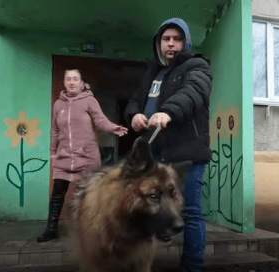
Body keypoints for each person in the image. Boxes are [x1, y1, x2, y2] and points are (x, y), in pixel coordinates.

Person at [123, 18, 213, 272]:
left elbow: (194, 92)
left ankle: (193, 266)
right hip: (157, 156)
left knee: (191, 213)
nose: (171, 44)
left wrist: (168, 112)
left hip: (188, 153)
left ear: (186, 42)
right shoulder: (153, 73)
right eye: (166, 39)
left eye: (177, 39)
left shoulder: (197, 66)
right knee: (148, 210)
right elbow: (135, 100)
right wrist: (134, 115)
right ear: (158, 43)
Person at [37, 69, 128, 243]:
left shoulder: (89, 100)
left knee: (87, 194)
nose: (72, 82)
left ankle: (89, 231)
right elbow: (55, 130)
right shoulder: (58, 104)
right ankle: (51, 229)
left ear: (81, 82)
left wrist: (113, 127)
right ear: (64, 82)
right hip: (64, 155)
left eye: (75, 79)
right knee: (57, 193)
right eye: (68, 79)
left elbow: (100, 119)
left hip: (87, 155)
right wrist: (52, 152)